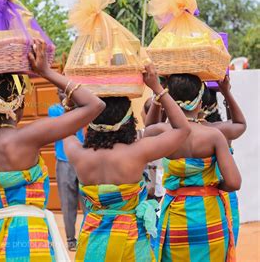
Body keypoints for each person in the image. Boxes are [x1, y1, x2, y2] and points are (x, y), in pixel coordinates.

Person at [0, 40, 104, 261]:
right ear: (19, 104)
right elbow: (95, 105)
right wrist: (46, 72)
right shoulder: (29, 137)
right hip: (29, 240)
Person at [62, 64, 191, 261]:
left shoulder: (76, 152)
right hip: (131, 243)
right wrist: (157, 88)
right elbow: (183, 129)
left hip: (93, 244)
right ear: (128, 118)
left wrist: (69, 106)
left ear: (91, 120)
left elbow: (67, 129)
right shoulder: (138, 151)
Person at [144, 73, 241, 262]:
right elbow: (234, 182)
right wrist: (211, 187)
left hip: (175, 216)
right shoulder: (214, 136)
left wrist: (158, 94)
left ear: (169, 99)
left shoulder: (164, 132)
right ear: (200, 100)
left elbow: (149, 128)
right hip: (209, 216)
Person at [199, 77, 246, 245]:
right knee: (227, 245)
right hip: (225, 194)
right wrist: (226, 91)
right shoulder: (222, 131)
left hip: (198, 197)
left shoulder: (185, 133)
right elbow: (238, 123)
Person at [48, 88, 85, 251]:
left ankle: (86, 235)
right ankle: (71, 239)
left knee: (87, 202)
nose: (64, 93)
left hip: (84, 160)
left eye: (67, 91)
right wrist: (70, 104)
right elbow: (64, 122)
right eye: (60, 91)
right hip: (64, 161)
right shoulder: (54, 110)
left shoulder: (84, 108)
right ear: (57, 94)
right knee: (68, 204)